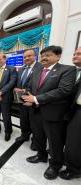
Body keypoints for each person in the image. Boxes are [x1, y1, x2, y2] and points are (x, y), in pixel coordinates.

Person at [23, 45, 76, 180]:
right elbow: (32, 87)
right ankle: (41, 156)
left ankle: (55, 165)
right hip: (35, 110)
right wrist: (28, 97)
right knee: (38, 136)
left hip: (53, 113)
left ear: (58, 56)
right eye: (43, 55)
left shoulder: (67, 70)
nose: (44, 58)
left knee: (54, 141)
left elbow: (64, 91)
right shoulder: (38, 70)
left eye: (48, 55)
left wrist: (35, 98)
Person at [59, 47, 81, 180]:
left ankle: (74, 169)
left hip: (79, 110)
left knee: (75, 142)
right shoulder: (72, 71)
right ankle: (67, 160)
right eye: (74, 53)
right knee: (69, 139)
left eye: (79, 54)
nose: (75, 55)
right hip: (69, 109)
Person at [14, 49, 42, 143]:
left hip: (34, 100)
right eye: (25, 57)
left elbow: (42, 85)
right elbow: (19, 83)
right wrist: (16, 88)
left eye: (29, 56)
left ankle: (35, 141)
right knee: (23, 120)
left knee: (34, 123)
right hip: (22, 100)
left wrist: (26, 91)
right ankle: (24, 135)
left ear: (35, 56)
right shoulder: (21, 69)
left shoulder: (41, 67)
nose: (27, 58)